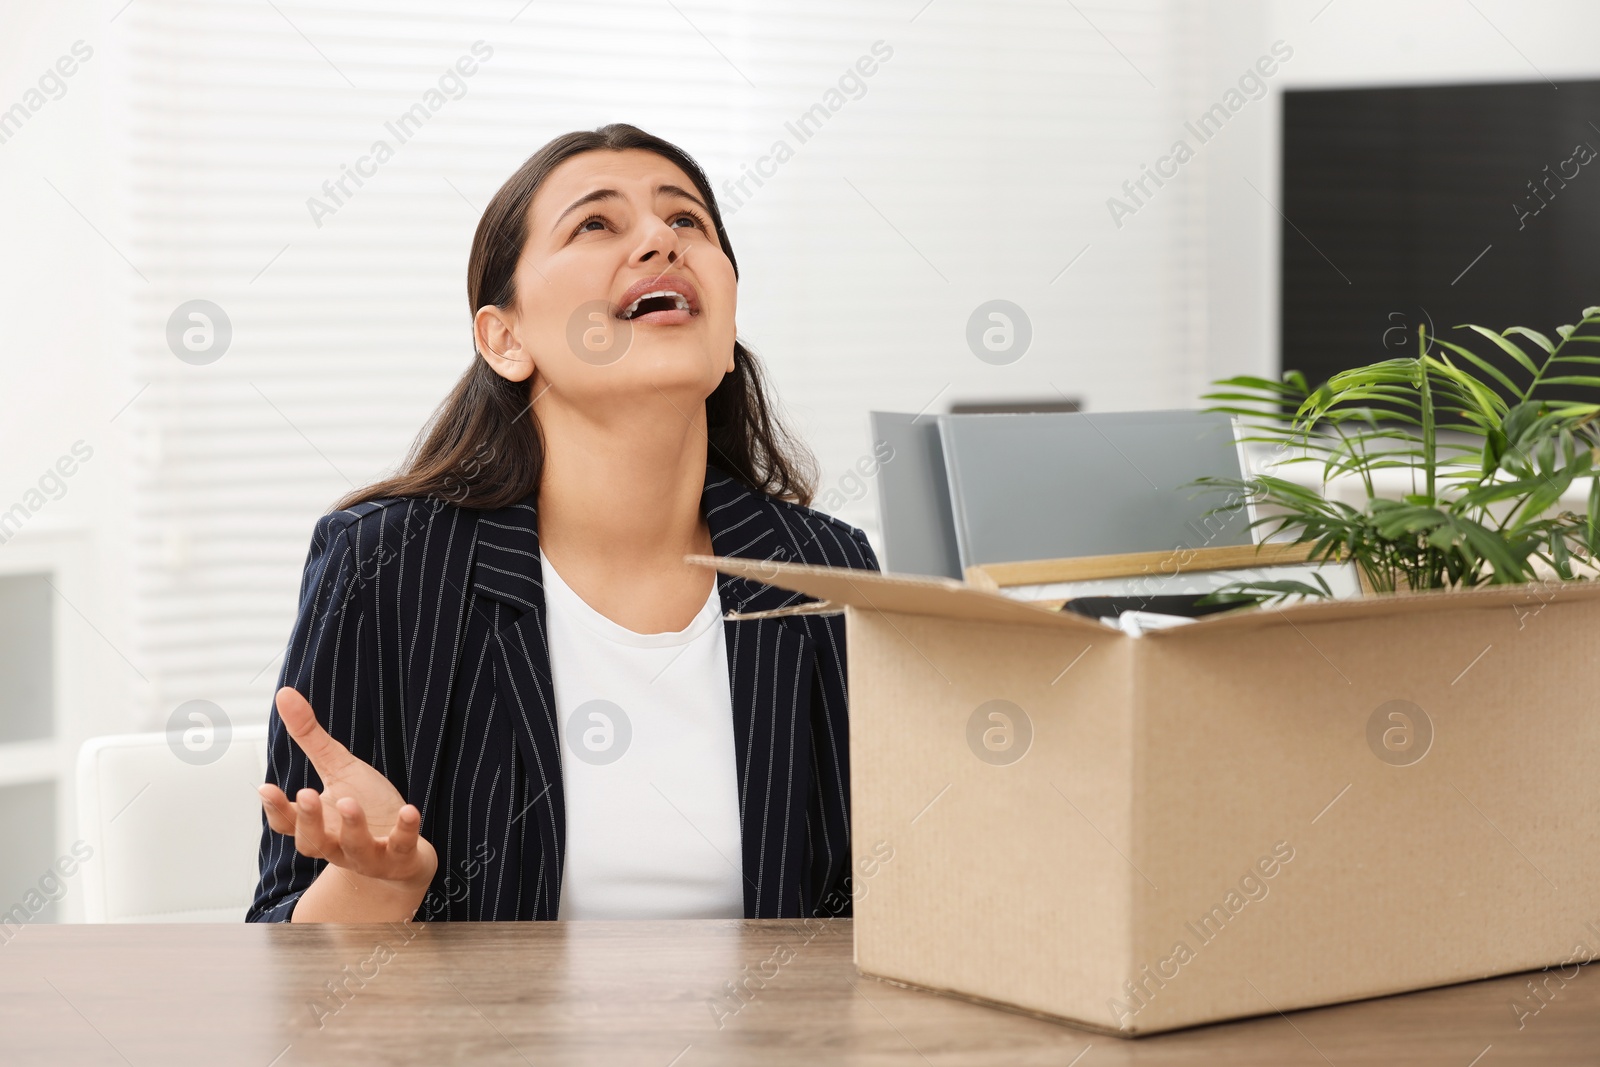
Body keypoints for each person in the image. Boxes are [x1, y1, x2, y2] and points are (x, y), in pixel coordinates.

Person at [246, 123, 879, 924]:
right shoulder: (389, 564)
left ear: (726, 336)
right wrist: (380, 881)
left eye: (686, 221)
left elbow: (883, 910)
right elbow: (285, 962)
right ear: (504, 339)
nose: (659, 239)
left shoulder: (826, 571)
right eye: (596, 223)